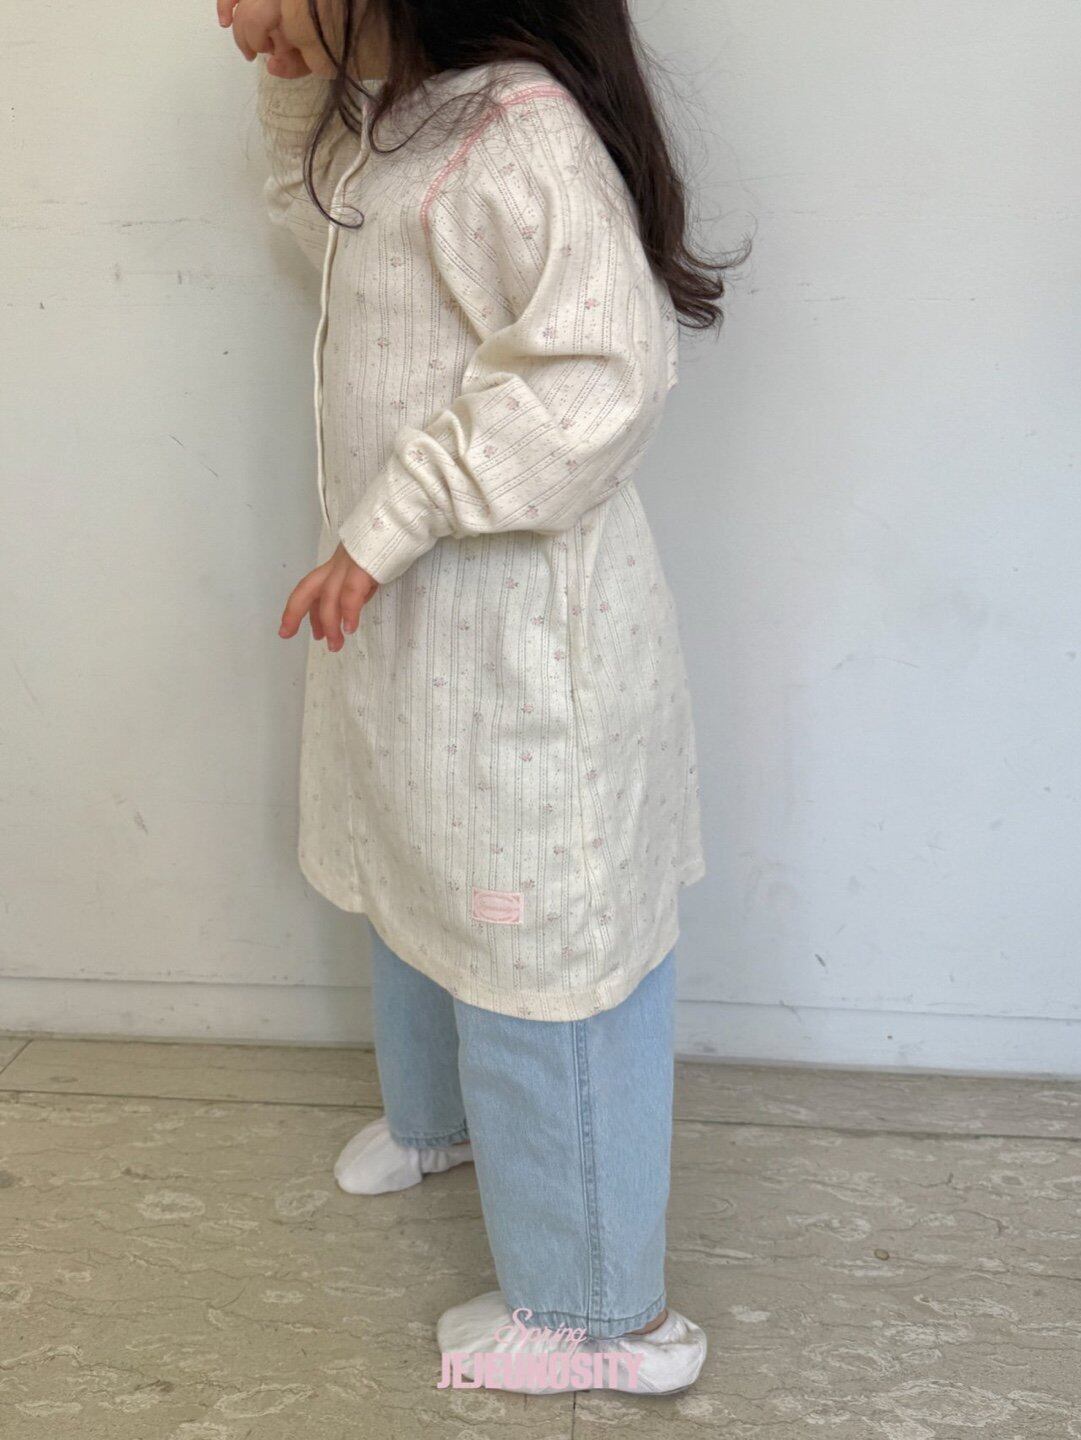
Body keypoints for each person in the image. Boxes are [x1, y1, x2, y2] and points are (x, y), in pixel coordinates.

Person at [219, 0, 746, 1396]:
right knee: (417, 874)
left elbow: (600, 374)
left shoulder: (520, 136)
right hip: (415, 642)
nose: (224, 10)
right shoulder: (402, 121)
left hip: (517, 659)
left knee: (534, 947)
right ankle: (441, 1121)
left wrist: (393, 517)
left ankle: (599, 1319)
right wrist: (298, 93)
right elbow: (327, 236)